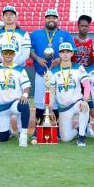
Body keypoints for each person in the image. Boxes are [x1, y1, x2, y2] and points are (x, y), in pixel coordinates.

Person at [30, 9, 76, 141]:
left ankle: (57, 129)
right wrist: (37, 58)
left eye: (54, 17)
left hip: (58, 73)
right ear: (44, 19)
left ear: (58, 19)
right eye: (49, 17)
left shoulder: (65, 34)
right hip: (41, 72)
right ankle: (38, 129)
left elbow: (72, 51)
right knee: (39, 102)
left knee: (56, 102)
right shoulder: (35, 34)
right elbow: (30, 50)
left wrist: (60, 60)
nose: (51, 19)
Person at [0, 44, 31, 147]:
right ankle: (9, 131)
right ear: (1, 53)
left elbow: (26, 86)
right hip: (1, 107)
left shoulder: (20, 70)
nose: (8, 55)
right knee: (3, 138)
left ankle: (23, 135)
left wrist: (24, 95)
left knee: (24, 104)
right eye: (5, 52)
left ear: (14, 54)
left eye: (10, 52)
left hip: (14, 103)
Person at [50, 42, 90, 146]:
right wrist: (49, 108)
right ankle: (78, 130)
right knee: (65, 139)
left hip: (77, 102)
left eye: (68, 52)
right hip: (63, 107)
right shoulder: (54, 71)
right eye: (62, 52)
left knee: (85, 107)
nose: (65, 54)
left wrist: (85, 100)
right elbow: (52, 92)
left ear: (72, 53)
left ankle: (81, 136)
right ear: (59, 54)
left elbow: (86, 85)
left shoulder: (78, 68)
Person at [72, 14, 94, 139]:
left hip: (88, 74)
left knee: (87, 100)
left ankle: (88, 126)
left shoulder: (92, 42)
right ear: (78, 27)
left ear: (89, 27)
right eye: (82, 25)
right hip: (76, 75)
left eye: (86, 26)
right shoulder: (73, 41)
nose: (84, 28)